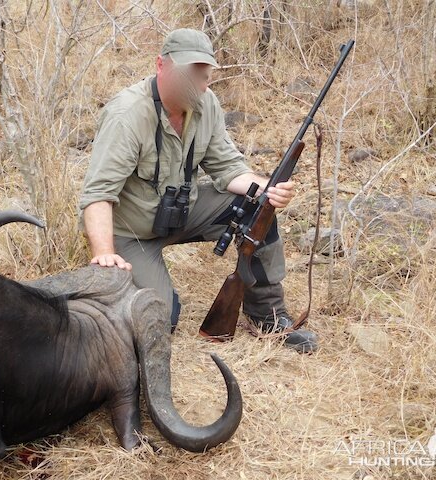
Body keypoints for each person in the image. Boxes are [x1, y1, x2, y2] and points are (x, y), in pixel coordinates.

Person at [78, 28, 318, 353]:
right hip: (131, 232)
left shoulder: (207, 104)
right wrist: (105, 254)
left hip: (183, 212)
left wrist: (267, 189)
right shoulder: (127, 116)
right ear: (161, 65)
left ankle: (268, 317)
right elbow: (98, 195)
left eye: (204, 75)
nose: (200, 84)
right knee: (161, 318)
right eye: (191, 74)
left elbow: (227, 168)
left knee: (258, 206)